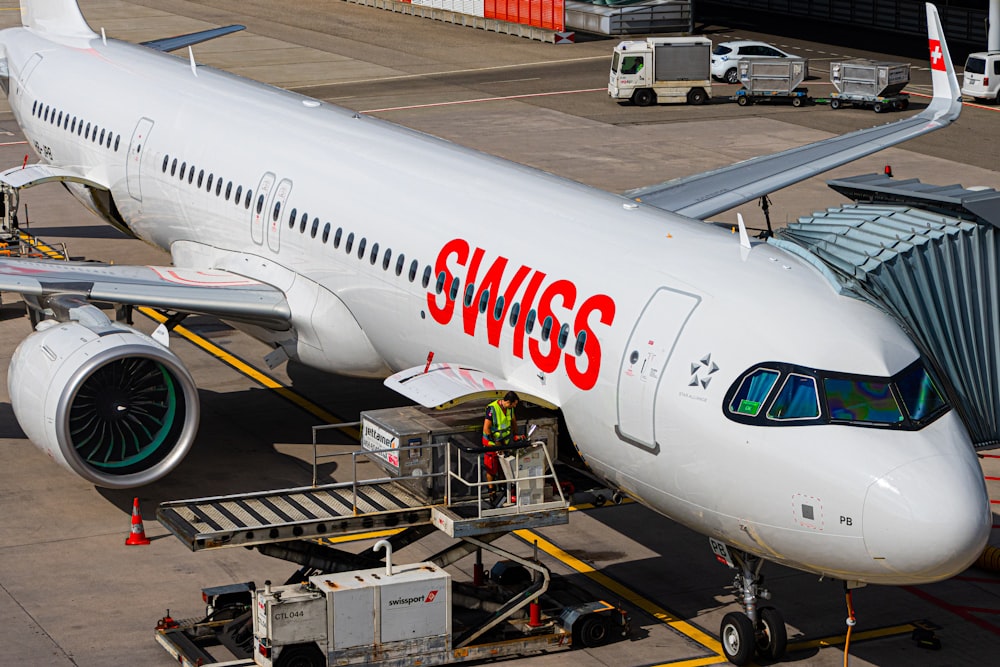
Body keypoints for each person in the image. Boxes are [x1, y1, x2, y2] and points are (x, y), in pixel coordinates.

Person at [482, 391, 522, 504]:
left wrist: (515, 436)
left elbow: (513, 422)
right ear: (508, 402)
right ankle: (492, 492)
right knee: (491, 467)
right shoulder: (492, 409)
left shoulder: (510, 408)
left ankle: (504, 489)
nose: (514, 407)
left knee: (504, 465)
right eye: (513, 404)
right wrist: (496, 444)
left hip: (505, 441)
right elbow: (486, 428)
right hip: (492, 442)